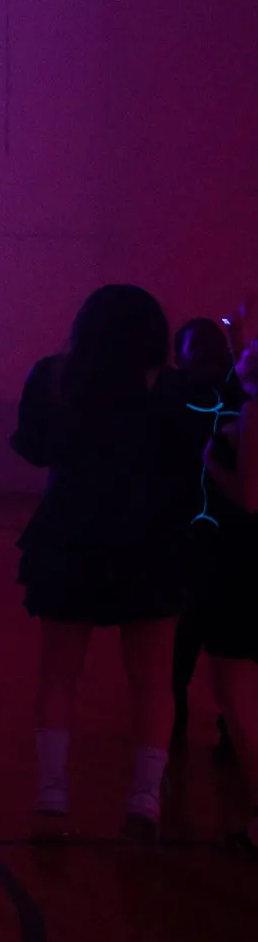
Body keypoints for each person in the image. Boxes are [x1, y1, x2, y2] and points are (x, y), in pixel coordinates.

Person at [12, 285, 188, 840]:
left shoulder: (54, 377)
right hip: (149, 538)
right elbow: (188, 462)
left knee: (59, 671)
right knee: (155, 682)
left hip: (71, 532)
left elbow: (35, 449)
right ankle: (144, 798)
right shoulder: (170, 388)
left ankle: (53, 791)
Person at [168, 314, 245, 750]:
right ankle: (200, 714)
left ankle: (221, 721)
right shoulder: (228, 396)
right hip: (205, 529)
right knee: (199, 623)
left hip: (223, 529)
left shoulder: (231, 396)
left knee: (209, 626)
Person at [200, 332, 258, 855]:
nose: (239, 352)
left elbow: (251, 495)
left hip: (247, 559)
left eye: (246, 349)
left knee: (235, 685)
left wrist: (210, 463)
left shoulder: (257, 412)